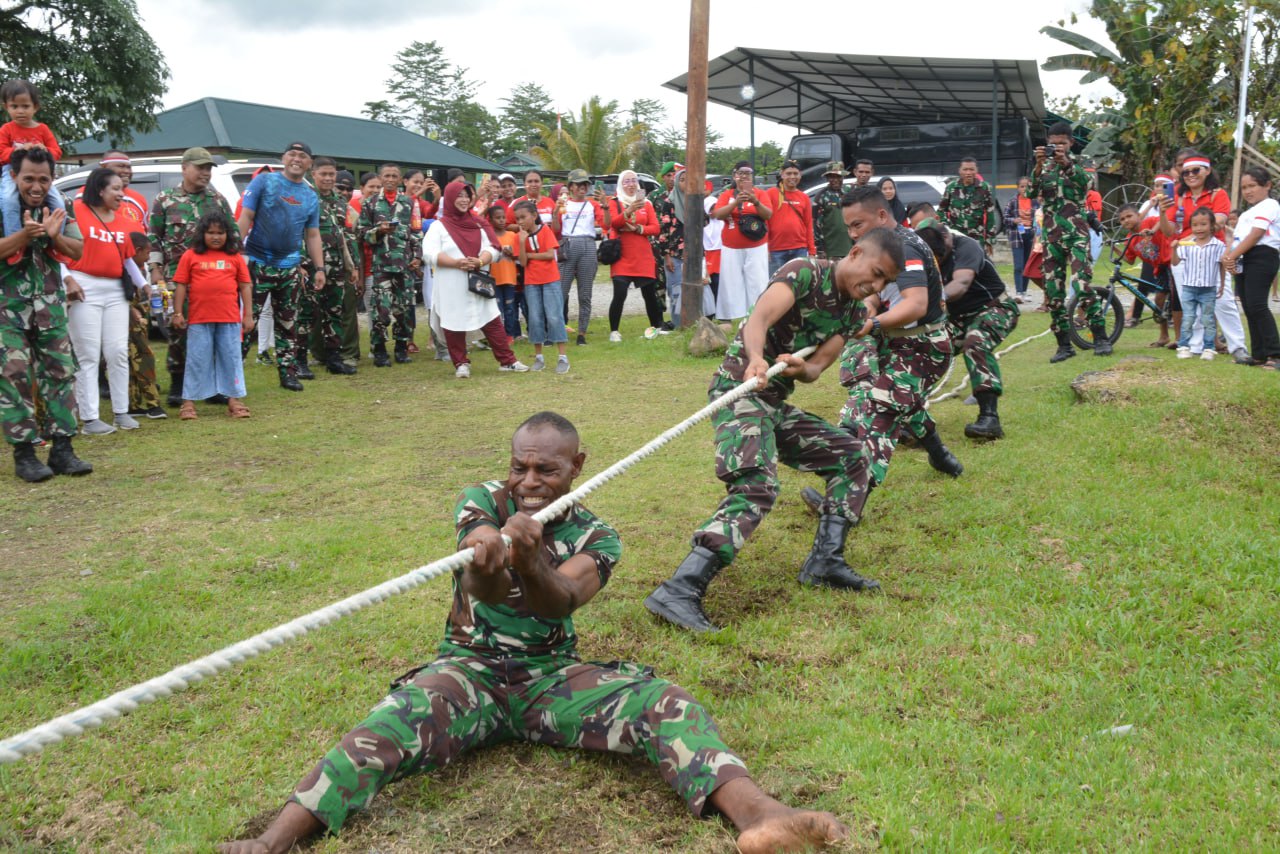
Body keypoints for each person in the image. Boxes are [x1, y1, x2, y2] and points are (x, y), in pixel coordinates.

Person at [219, 412, 849, 854]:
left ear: (577, 466)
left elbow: (561, 602)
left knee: (666, 704)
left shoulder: (599, 535)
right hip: (468, 672)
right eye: (519, 466)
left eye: (545, 469)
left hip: (552, 680)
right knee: (387, 725)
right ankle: (273, 842)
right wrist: (494, 558)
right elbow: (482, 588)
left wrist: (532, 558)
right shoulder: (483, 502)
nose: (527, 481)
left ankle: (760, 816)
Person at [643, 230, 905, 633]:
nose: (876, 286)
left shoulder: (853, 313)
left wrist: (804, 369)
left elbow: (818, 367)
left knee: (853, 456)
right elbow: (758, 319)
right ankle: (680, 588)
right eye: (875, 273)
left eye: (885, 281)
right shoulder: (804, 273)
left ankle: (825, 561)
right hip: (739, 390)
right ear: (854, 253)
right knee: (757, 486)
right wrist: (754, 360)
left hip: (773, 403)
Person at [830, 187, 962, 493]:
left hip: (924, 346)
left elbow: (914, 304)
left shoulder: (906, 247)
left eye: (858, 225)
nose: (852, 234)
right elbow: (876, 295)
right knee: (902, 401)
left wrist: (872, 324)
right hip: (898, 341)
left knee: (882, 410)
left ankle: (845, 500)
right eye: (848, 226)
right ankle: (941, 456)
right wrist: (865, 311)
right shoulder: (884, 246)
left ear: (881, 215)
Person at [0, 147, 92, 481]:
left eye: (43, 179)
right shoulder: (2, 205)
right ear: (14, 177)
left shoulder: (58, 206)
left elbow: (79, 250)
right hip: (7, 307)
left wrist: (55, 237)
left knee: (61, 373)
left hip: (50, 305)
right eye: (28, 179)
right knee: (14, 376)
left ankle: (62, 449)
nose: (36, 186)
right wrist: (23, 236)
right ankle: (24, 454)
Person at [910, 218, 1019, 439]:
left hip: (995, 308)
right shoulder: (921, 255)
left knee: (975, 342)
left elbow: (961, 283)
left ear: (947, 236)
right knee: (927, 349)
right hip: (958, 317)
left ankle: (990, 418)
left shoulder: (967, 246)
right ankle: (912, 419)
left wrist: (931, 300)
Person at [149, 147, 238, 406]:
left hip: (211, 279)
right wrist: (155, 271)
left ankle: (212, 387)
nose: (205, 173)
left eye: (208, 168)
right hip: (177, 279)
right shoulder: (165, 200)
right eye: (200, 167)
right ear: (184, 168)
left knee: (212, 330)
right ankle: (178, 382)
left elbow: (232, 237)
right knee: (178, 329)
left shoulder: (218, 200)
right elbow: (154, 237)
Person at [64, 167, 145, 434]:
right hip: (84, 285)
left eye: (122, 189)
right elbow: (57, 249)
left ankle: (121, 412)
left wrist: (143, 284)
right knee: (88, 353)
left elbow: (126, 258)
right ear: (100, 189)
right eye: (116, 188)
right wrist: (67, 279)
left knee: (118, 351)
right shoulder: (77, 210)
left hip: (114, 290)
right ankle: (90, 418)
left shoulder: (122, 220)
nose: (122, 194)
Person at [236, 142, 323, 392]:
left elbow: (313, 235)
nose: (297, 159)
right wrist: (233, 256)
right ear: (284, 158)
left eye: (303, 156)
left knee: (288, 323)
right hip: (257, 264)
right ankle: (232, 375)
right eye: (292, 154)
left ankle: (288, 374)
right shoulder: (265, 182)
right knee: (246, 323)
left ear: (309, 162)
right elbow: (246, 217)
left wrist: (319, 268)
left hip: (290, 269)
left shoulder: (309, 195)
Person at [425, 183, 528, 379]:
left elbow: (494, 248)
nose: (464, 200)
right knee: (453, 322)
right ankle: (461, 363)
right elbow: (429, 254)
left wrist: (480, 260)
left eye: (467, 195)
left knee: (491, 319)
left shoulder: (479, 222)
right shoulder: (438, 226)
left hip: (478, 281)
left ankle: (508, 361)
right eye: (459, 196)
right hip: (451, 284)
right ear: (449, 198)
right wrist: (456, 263)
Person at [1157, 152, 1248, 364]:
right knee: (1191, 302)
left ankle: (1238, 347)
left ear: (1207, 170)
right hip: (1185, 254)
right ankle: (1196, 346)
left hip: (1210, 252)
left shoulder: (1218, 195)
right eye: (1186, 171)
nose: (1190, 175)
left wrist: (1193, 234)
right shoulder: (1178, 197)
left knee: (1223, 300)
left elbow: (1220, 220)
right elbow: (1170, 231)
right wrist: (1162, 213)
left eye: (1196, 170)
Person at [1028, 123, 1108, 362]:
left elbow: (1085, 185)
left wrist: (1066, 163)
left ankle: (1101, 338)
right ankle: (1064, 345)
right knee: (1053, 292)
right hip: (1052, 237)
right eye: (1054, 143)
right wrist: (1039, 166)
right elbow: (1031, 194)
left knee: (1081, 285)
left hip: (1077, 234)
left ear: (1071, 143)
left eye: (1063, 143)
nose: (1058, 147)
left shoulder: (1082, 164)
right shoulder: (1044, 168)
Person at [169, 212, 253, 418]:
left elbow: (245, 286)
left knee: (231, 359)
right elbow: (181, 285)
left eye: (221, 233)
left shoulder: (234, 257)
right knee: (197, 360)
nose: (216, 237)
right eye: (210, 232)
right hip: (199, 319)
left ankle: (234, 399)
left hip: (230, 319)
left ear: (228, 235)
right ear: (202, 234)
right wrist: (178, 312)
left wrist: (248, 315)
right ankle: (188, 402)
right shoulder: (190, 256)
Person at [358, 162, 421, 367]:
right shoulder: (371, 203)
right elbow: (361, 233)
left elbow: (415, 232)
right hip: (382, 267)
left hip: (404, 266)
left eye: (395, 176)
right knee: (381, 312)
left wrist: (418, 256)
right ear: (381, 178)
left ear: (400, 178)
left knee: (403, 311)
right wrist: (378, 231)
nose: (391, 179)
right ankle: (379, 351)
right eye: (387, 176)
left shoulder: (408, 203)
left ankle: (402, 348)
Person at [1221, 166, 1280, 369]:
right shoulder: (1248, 212)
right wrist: (1231, 259)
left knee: (1257, 305)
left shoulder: (1270, 205)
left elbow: (1256, 235)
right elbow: (1238, 239)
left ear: (1267, 185)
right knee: (1248, 307)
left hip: (1262, 256)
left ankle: (1275, 354)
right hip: (1244, 257)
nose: (1247, 191)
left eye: (1252, 186)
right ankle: (1259, 354)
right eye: (1244, 187)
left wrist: (1233, 256)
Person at [305, 157, 358, 376]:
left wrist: (352, 266)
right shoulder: (306, 198)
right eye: (323, 174)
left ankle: (334, 358)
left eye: (331, 174)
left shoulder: (340, 201)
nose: (328, 178)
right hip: (312, 267)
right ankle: (300, 360)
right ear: (313, 175)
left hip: (336, 267)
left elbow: (346, 235)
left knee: (334, 313)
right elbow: (298, 233)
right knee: (307, 313)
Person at [1, 79, 65, 241]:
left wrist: (45, 150)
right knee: (9, 200)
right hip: (12, 172)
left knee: (58, 202)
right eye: (14, 106)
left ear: (35, 107)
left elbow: (56, 151)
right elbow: (1, 154)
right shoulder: (6, 129)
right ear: (6, 107)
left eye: (25, 106)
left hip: (39, 173)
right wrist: (19, 150)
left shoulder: (42, 129)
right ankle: (14, 239)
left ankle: (58, 238)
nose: (20, 111)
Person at [604, 170, 664, 341]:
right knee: (620, 293)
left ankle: (655, 328)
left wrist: (638, 229)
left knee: (649, 294)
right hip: (622, 254)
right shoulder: (615, 202)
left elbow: (656, 227)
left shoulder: (646, 204)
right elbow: (614, 224)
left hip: (642, 255)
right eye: (626, 181)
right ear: (621, 184)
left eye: (633, 181)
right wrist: (629, 210)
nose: (631, 184)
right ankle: (614, 331)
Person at [514, 199, 569, 373]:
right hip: (531, 282)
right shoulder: (519, 237)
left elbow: (549, 255)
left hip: (550, 279)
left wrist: (530, 255)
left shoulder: (545, 230)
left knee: (554, 316)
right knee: (535, 318)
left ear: (534, 216)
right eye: (517, 219)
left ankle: (562, 357)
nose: (520, 221)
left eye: (523, 217)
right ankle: (539, 357)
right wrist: (522, 243)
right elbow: (522, 262)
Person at [714, 161, 773, 322]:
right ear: (735, 176)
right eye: (741, 174)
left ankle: (758, 316)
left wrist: (755, 202)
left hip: (756, 245)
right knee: (730, 281)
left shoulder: (760, 194)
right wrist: (735, 202)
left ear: (752, 178)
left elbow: (768, 215)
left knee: (758, 281)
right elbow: (718, 215)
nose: (744, 177)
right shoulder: (727, 195)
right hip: (731, 246)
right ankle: (729, 316)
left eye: (748, 174)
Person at [553, 169, 605, 345]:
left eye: (586, 184)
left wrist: (605, 206)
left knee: (585, 293)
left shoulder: (593, 204)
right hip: (567, 244)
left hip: (588, 245)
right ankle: (556, 330)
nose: (583, 187)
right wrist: (555, 212)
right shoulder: (563, 203)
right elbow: (555, 229)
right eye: (579, 184)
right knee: (561, 291)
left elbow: (606, 224)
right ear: (571, 187)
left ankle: (582, 332)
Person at [1169, 207, 1224, 360]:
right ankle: (1184, 346)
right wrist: (1174, 249)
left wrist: (1221, 285)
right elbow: (1175, 263)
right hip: (1189, 288)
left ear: (1212, 226)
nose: (1199, 228)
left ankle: (1209, 348)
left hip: (1208, 288)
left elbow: (1221, 265)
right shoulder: (1187, 245)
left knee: (1208, 319)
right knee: (1189, 318)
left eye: (1203, 224)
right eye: (1195, 225)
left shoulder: (1218, 245)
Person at [122, 232, 165, 420]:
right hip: (131, 322)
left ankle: (133, 403)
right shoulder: (127, 270)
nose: (149, 258)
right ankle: (153, 404)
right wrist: (133, 312)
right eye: (147, 253)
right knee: (144, 359)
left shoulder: (139, 270)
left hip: (136, 321)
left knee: (131, 362)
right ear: (137, 251)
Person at [938, 157, 999, 255]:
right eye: (965, 169)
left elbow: (990, 214)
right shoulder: (951, 187)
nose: (968, 173)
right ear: (959, 171)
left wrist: (990, 239)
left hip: (976, 237)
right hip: (956, 236)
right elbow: (941, 210)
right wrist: (947, 227)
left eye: (971, 169)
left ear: (976, 170)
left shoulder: (985, 188)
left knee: (978, 265)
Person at [764, 160, 815, 277]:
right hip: (776, 250)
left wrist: (812, 251)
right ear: (782, 174)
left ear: (800, 175)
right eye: (789, 173)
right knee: (776, 284)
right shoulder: (770, 194)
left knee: (799, 284)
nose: (792, 177)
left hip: (800, 249)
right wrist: (765, 248)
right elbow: (765, 223)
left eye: (795, 173)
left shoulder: (804, 197)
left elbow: (808, 225)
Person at [488, 205, 522, 340]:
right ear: (490, 220)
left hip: (509, 278)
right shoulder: (489, 238)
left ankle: (509, 335)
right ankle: (498, 336)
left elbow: (518, 256)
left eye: (503, 217)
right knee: (497, 309)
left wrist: (512, 254)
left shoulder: (512, 236)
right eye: (498, 218)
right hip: (494, 279)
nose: (501, 220)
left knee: (510, 308)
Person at [1002, 177, 1036, 301]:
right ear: (1018, 188)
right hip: (1017, 235)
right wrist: (1014, 220)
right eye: (1022, 186)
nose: (1024, 189)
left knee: (1027, 265)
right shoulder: (1012, 202)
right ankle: (1018, 292)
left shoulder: (1035, 202)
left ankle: (1024, 292)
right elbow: (1005, 218)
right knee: (1018, 265)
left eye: (1027, 186)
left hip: (1031, 235)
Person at [812, 162, 851, 261]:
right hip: (831, 251)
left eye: (838, 176)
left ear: (843, 177)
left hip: (850, 248)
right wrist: (820, 249)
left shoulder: (849, 193)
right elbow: (816, 224)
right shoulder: (821, 196)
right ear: (827, 178)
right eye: (832, 177)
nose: (835, 180)